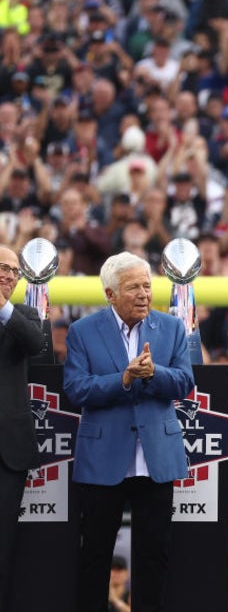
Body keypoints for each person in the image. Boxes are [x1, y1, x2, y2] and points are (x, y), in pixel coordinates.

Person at [63, 251, 195, 612]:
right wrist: (123, 378)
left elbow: (185, 382)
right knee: (94, 554)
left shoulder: (171, 328)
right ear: (110, 294)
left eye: (147, 286)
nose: (144, 294)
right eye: (133, 287)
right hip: (103, 459)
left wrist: (154, 374)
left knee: (155, 554)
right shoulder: (82, 332)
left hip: (156, 457)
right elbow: (76, 389)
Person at [0, 244, 45, 609]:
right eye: (1, 268)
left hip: (6, 453)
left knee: (3, 545)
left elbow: (35, 344)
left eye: (14, 271)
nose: (8, 275)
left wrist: (1, 307)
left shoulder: (25, 315)